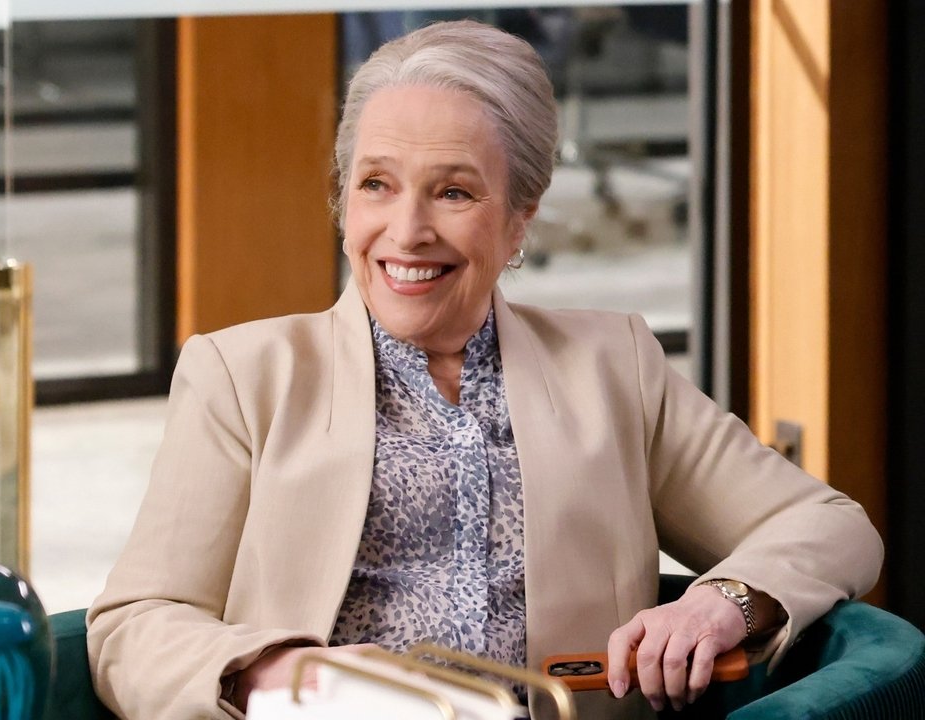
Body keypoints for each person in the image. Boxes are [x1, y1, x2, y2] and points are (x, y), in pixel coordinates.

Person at [87, 20, 882, 720]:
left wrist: (722, 603)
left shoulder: (617, 368)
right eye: (376, 185)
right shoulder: (242, 377)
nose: (407, 230)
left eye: (454, 192)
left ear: (520, 218)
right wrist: (280, 675)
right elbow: (133, 626)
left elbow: (829, 525)